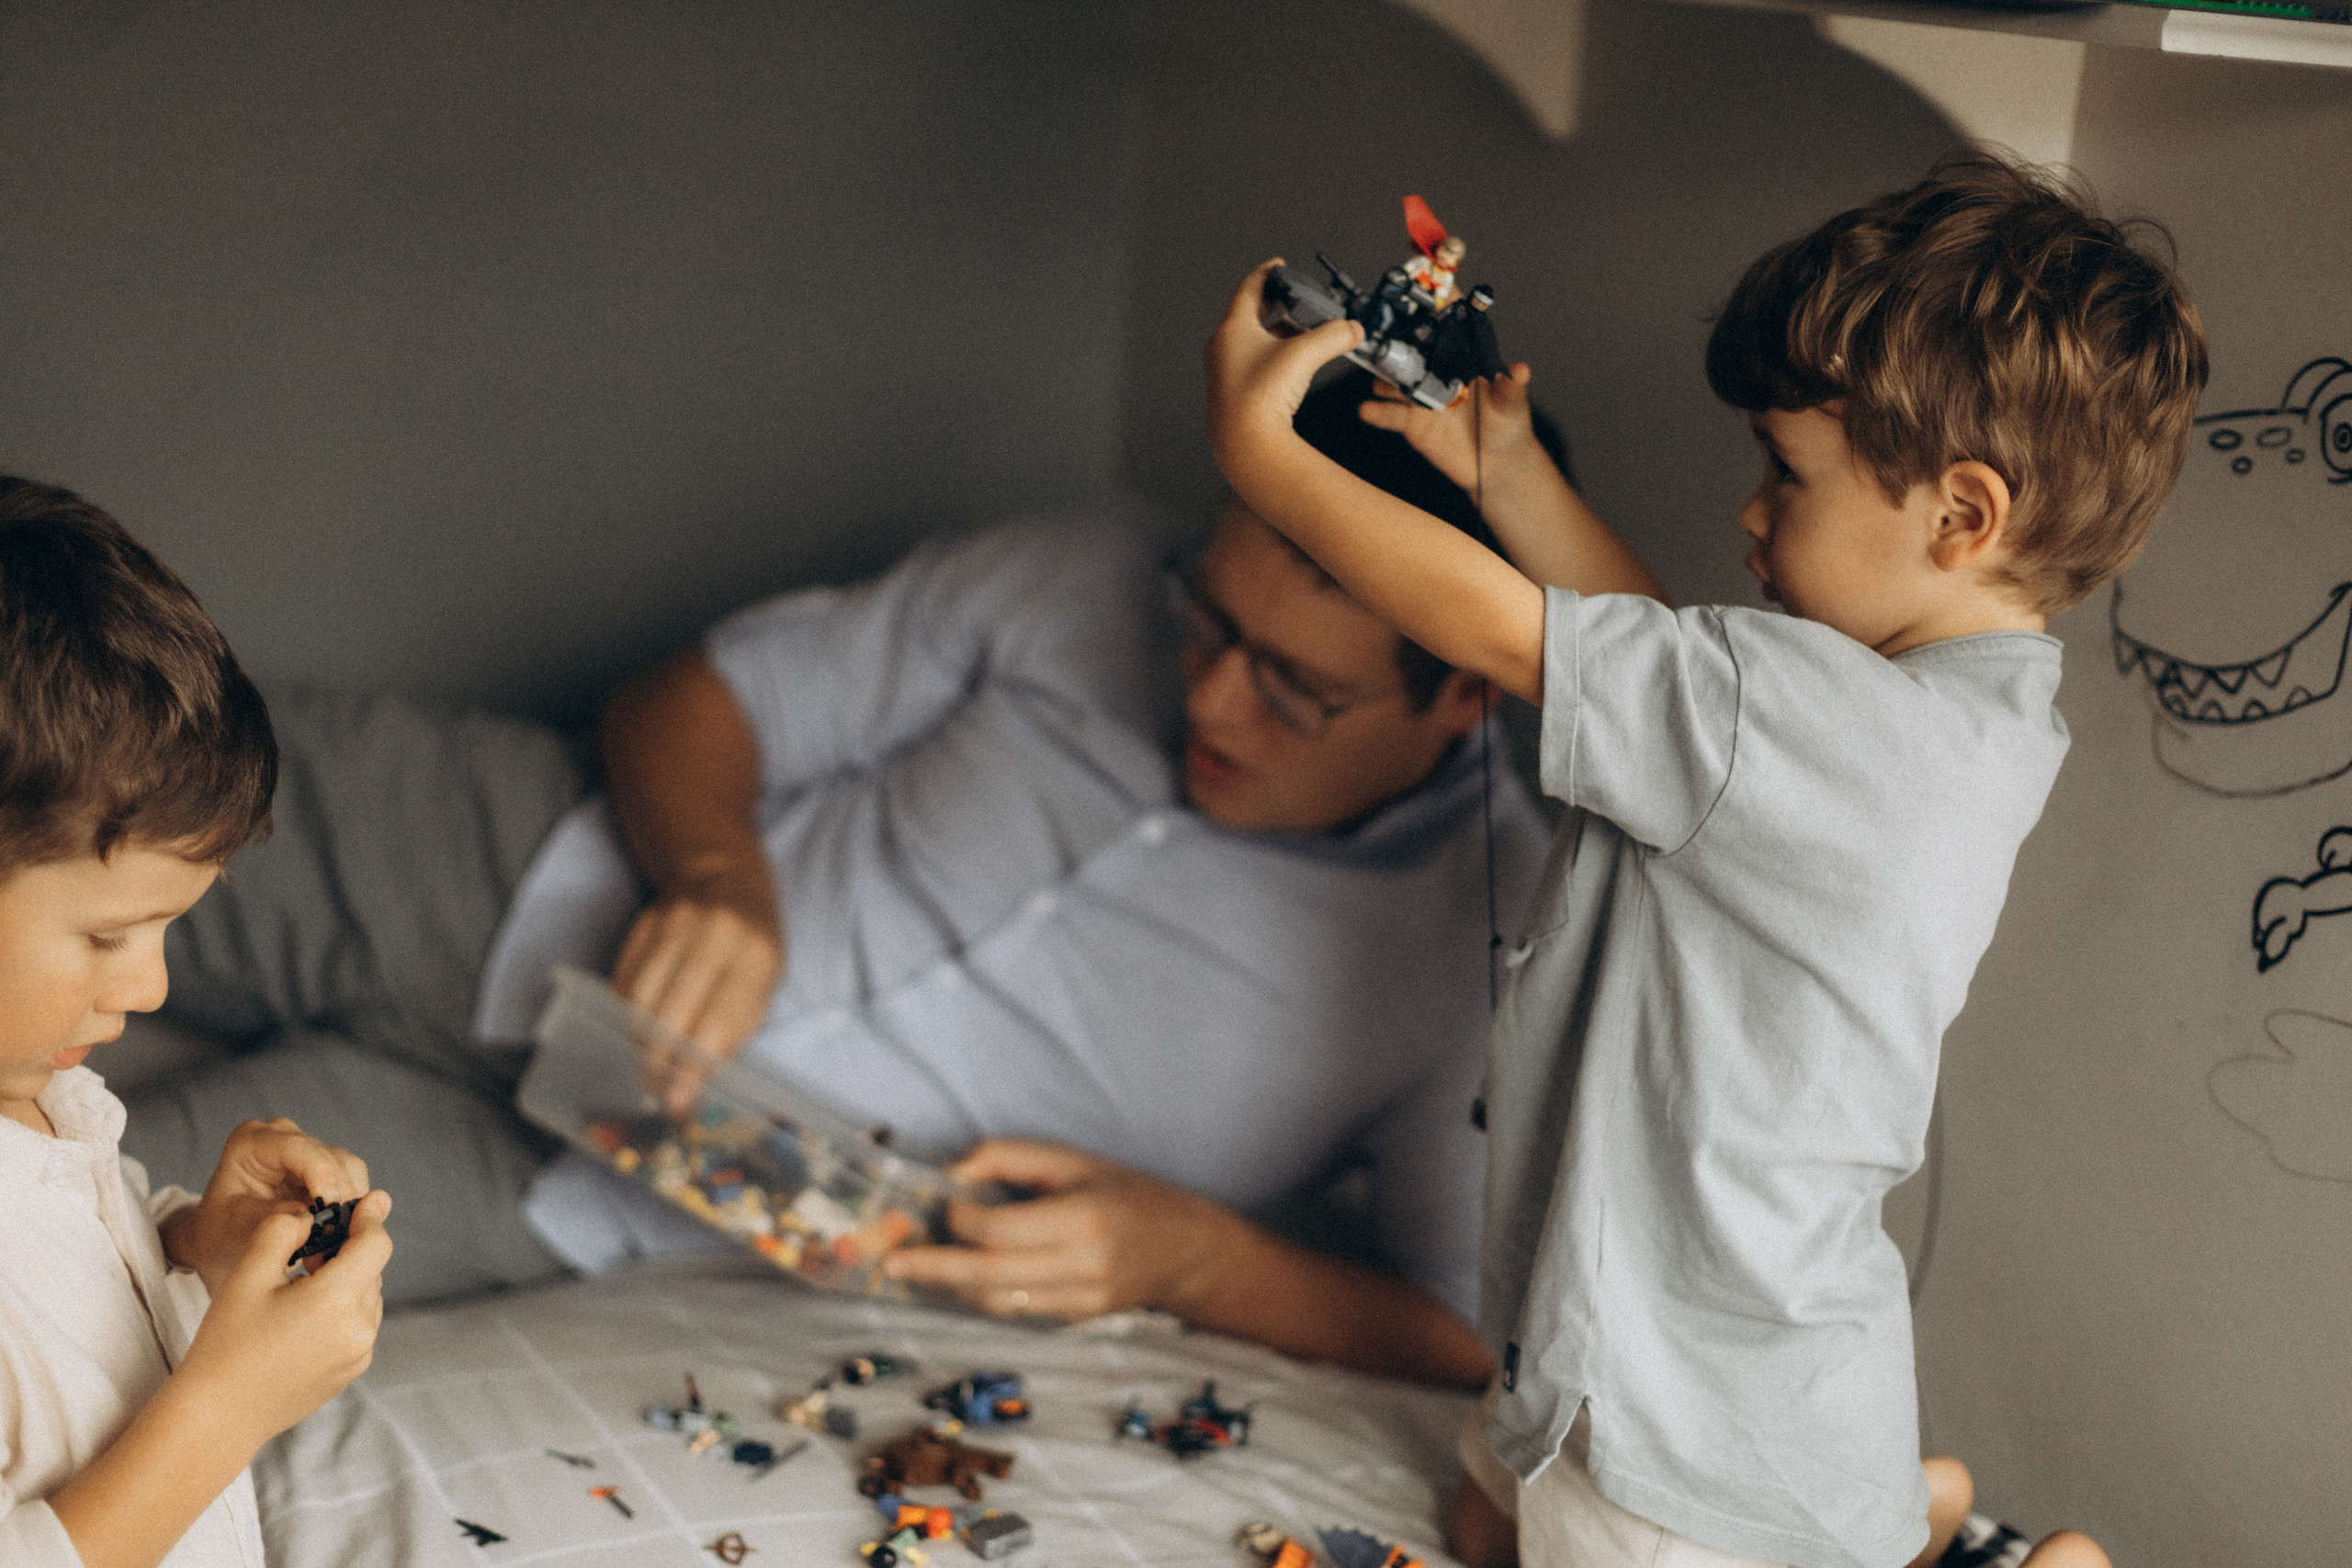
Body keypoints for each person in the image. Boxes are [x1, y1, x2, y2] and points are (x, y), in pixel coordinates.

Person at [123, 374, 1553, 1385]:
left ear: (1468, 696)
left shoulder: (1495, 940)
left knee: (95, 1270)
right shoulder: (1087, 566)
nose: (1217, 703)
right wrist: (718, 872)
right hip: (509, 857)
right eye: (1209, 626)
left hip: (596, 1192)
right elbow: (690, 699)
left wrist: (1195, 1261)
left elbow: (1454, 1325)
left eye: (1298, 692)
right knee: (81, 792)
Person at [1204, 154, 2203, 1568]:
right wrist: (1512, 474)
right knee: (1480, 1528)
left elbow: (1516, 636)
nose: (1749, 510)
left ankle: (1915, 1534)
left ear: (1961, 516)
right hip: (1652, 1330)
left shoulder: (1816, 721)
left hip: (1690, 1407)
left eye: (1784, 472)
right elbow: (1651, 659)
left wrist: (1271, 466)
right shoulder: (1949, 719)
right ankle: (1888, 1510)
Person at [0, 478, 393, 1568]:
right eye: (107, 936)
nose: (153, 990)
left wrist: (190, 1246)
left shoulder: (33, 1098)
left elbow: (59, 1305)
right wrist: (231, 1407)